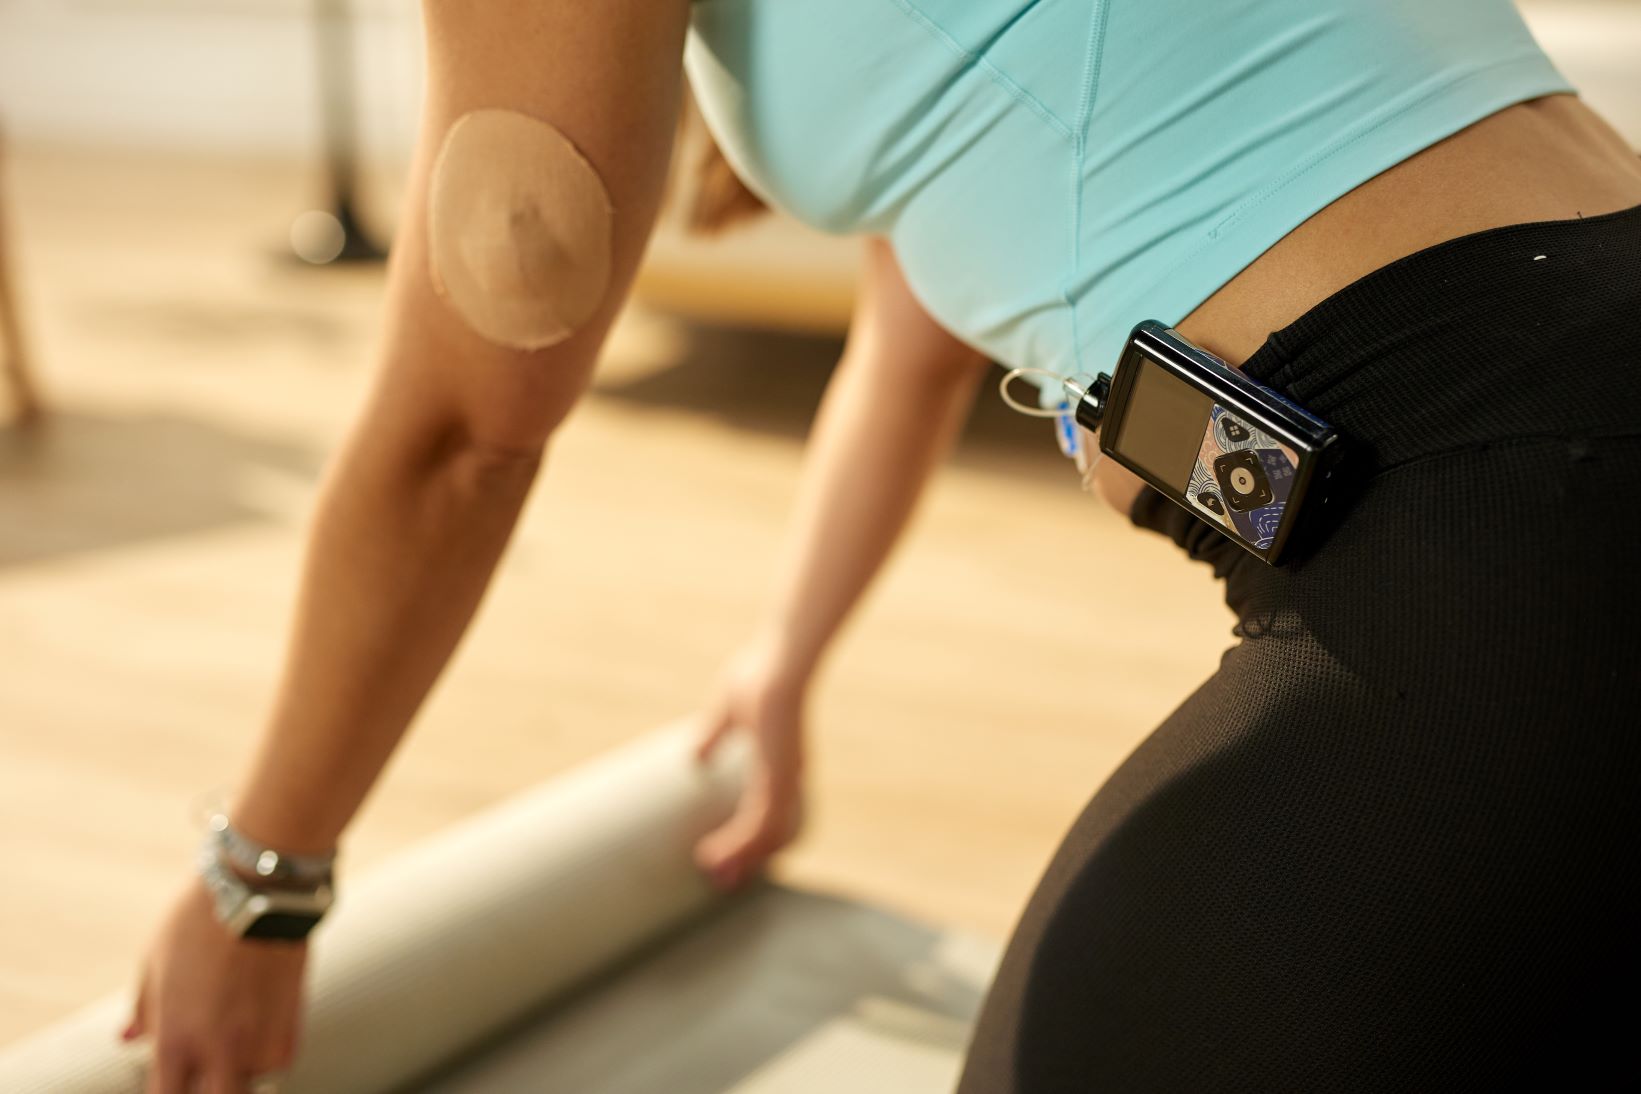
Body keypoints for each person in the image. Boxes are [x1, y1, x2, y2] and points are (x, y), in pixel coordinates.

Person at [122, 0, 1641, 1089]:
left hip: (1508, 524)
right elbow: (913, 333)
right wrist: (786, 658)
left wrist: (265, 877)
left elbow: (468, 431)